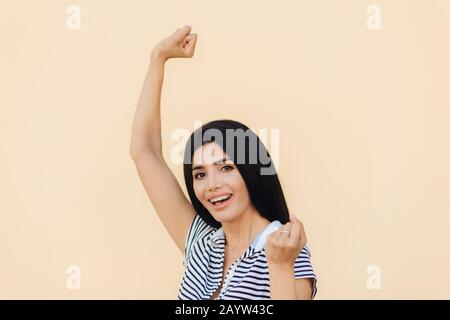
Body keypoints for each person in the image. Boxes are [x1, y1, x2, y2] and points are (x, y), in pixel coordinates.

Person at [130, 25, 317, 300]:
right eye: (200, 174)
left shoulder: (285, 250)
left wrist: (279, 265)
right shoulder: (203, 244)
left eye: (226, 168)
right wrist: (158, 58)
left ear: (252, 171)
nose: (212, 185)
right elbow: (144, 151)